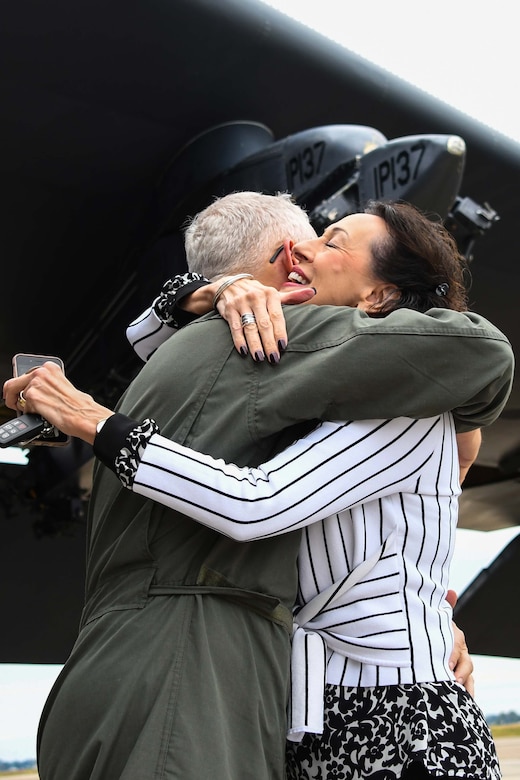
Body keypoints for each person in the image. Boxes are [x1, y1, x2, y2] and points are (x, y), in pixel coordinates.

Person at [4, 195, 513, 780]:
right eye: (305, 242)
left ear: (377, 296)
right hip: (307, 721)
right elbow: (185, 361)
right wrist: (213, 290)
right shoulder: (307, 394)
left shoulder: (408, 405)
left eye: (332, 242)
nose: (305, 252)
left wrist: (97, 423)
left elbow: (257, 503)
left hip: (399, 722)